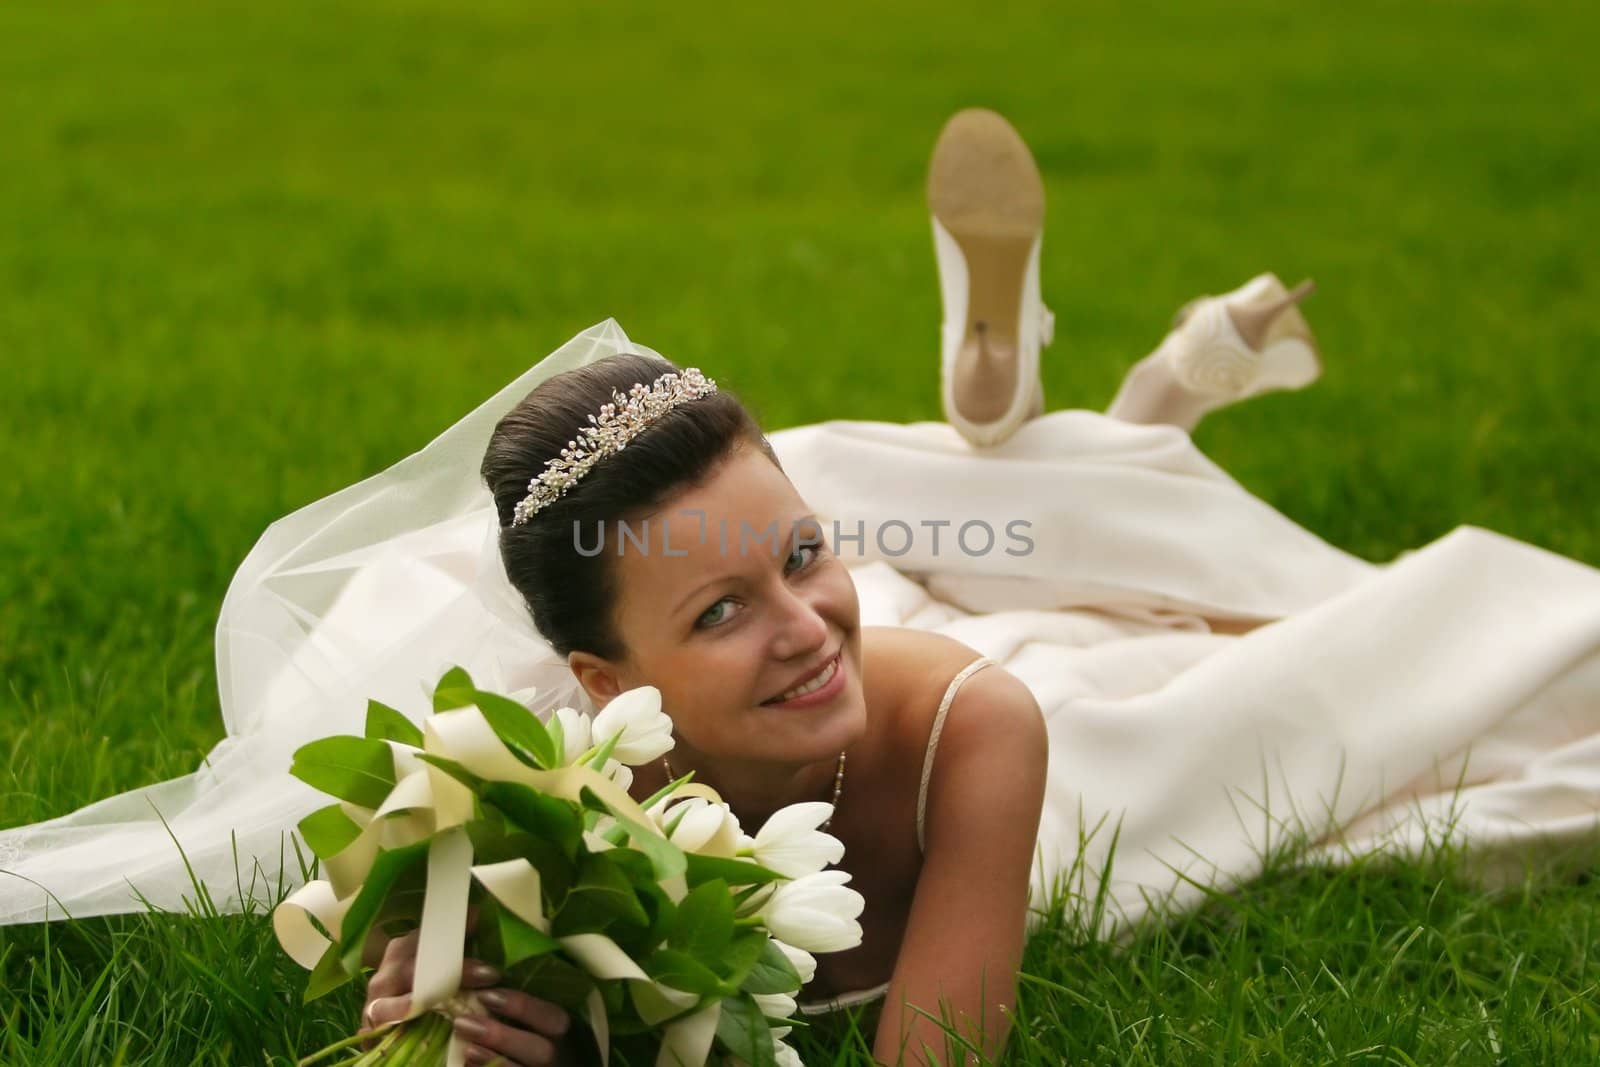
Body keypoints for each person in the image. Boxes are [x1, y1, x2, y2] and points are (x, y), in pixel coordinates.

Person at [5, 109, 1600, 1065]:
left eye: (801, 555)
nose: (801, 622)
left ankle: (1118, 422)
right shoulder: (526, 813)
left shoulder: (978, 726)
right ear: (604, 692)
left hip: (1041, 741)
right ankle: (1113, 417)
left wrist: (767, 612)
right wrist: (483, 1007)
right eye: (715, 613)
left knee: (1359, 709)